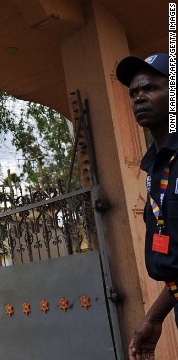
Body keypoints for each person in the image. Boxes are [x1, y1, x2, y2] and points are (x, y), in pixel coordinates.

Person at [115, 53, 175, 360]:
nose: (139, 97)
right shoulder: (155, 168)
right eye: (133, 92)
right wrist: (155, 317)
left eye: (150, 88)